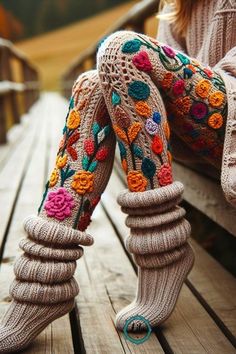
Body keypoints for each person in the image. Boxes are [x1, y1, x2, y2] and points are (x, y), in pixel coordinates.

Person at [0, 0, 235, 352]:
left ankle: (163, 253)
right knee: (92, 86)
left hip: (228, 113)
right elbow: (169, 68)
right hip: (199, 123)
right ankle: (42, 282)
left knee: (123, 49)